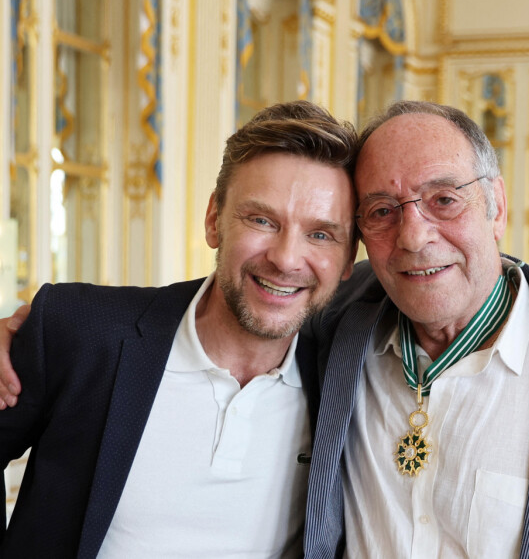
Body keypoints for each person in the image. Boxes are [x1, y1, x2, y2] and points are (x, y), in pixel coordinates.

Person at [0, 100, 358, 558]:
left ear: (349, 260)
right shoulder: (79, 331)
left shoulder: (348, 377)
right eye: (262, 220)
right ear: (214, 220)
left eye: (321, 234)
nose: (286, 259)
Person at [300, 101, 529, 558]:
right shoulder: (336, 325)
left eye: (444, 200)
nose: (413, 237)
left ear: (497, 208)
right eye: (382, 211)